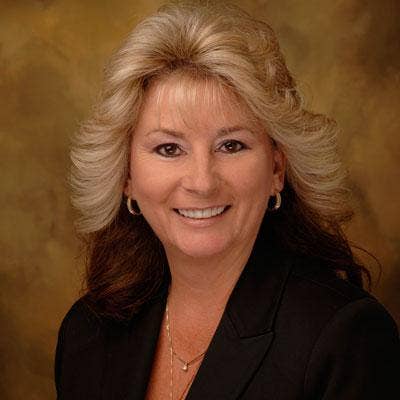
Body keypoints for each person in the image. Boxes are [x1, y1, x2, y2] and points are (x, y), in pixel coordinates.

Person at [55, 1, 400, 399]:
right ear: (127, 176)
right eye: (169, 149)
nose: (202, 182)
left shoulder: (345, 338)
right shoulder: (87, 334)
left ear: (276, 169)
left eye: (231, 145)